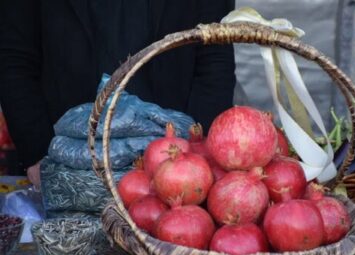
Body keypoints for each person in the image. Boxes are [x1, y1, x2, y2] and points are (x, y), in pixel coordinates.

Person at [0, 0, 236, 186]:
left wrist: (198, 151)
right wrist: (37, 154)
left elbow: (214, 58)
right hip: (69, 165)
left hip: (174, 166)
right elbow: (15, 58)